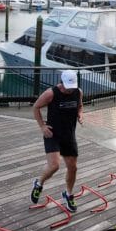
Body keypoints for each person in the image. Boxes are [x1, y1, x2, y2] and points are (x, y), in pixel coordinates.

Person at [30, 69, 83, 212]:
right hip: (52, 134)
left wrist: (79, 114)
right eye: (67, 87)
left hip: (69, 135)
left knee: (73, 167)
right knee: (54, 166)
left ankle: (69, 194)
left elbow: (80, 107)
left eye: (72, 87)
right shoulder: (51, 93)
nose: (69, 90)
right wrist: (42, 126)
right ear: (61, 83)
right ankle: (38, 183)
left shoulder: (78, 92)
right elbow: (36, 107)